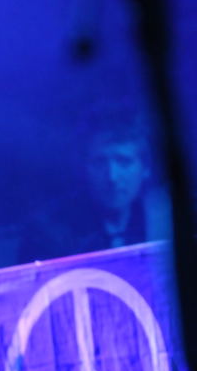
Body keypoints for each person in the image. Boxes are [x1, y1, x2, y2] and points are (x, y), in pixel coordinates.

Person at [18, 106, 170, 263]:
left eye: (124, 161)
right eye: (99, 162)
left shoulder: (164, 221)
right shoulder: (48, 232)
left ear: (145, 168)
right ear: (83, 168)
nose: (112, 177)